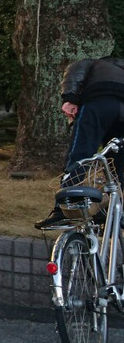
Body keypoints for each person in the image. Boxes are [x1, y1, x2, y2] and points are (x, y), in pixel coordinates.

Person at [36, 56, 124, 229]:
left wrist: (69, 99)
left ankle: (63, 211)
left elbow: (75, 70)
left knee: (79, 156)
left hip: (99, 103)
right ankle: (113, 214)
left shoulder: (93, 63)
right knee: (118, 167)